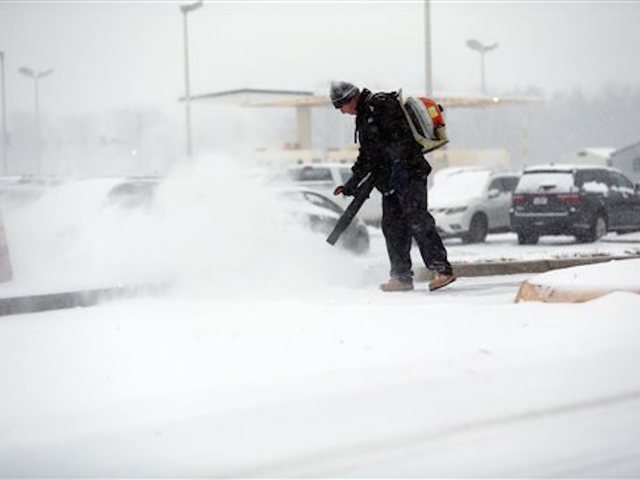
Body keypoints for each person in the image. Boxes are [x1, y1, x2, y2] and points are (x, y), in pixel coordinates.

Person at [330, 81, 456, 292]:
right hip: (389, 181)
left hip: (409, 175)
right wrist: (351, 184)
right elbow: (367, 155)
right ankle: (401, 277)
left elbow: (402, 138)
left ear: (350, 99)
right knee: (393, 227)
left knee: (418, 220)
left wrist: (398, 166)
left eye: (340, 106)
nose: (342, 112)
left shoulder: (380, 105)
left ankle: (442, 270)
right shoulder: (364, 116)